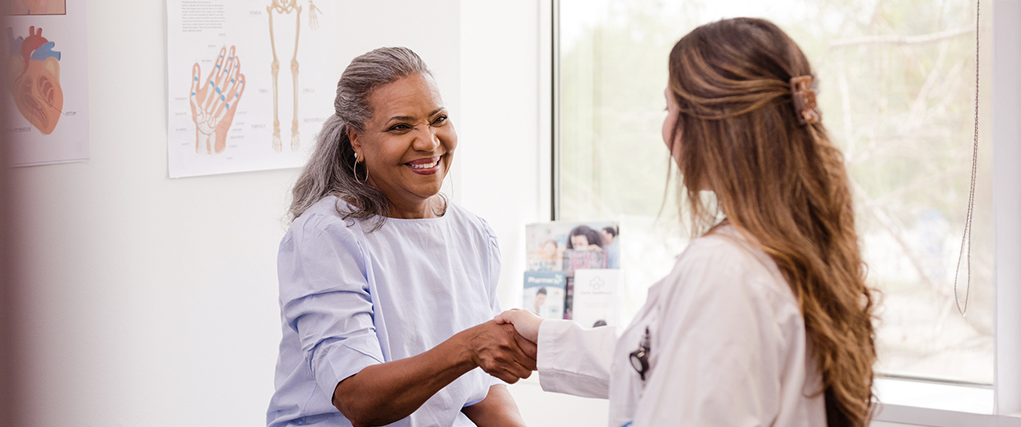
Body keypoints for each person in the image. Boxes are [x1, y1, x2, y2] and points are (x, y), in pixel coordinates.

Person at [496, 18, 878, 427]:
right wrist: (547, 338)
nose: (665, 128)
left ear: (712, 124)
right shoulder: (789, 242)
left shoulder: (723, 269)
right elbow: (660, 356)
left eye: (670, 107)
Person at [268, 47, 535, 427]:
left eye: (438, 118)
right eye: (400, 126)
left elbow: (481, 385)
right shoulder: (326, 237)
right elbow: (359, 399)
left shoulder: (473, 233)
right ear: (356, 141)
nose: (428, 142)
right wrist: (470, 346)